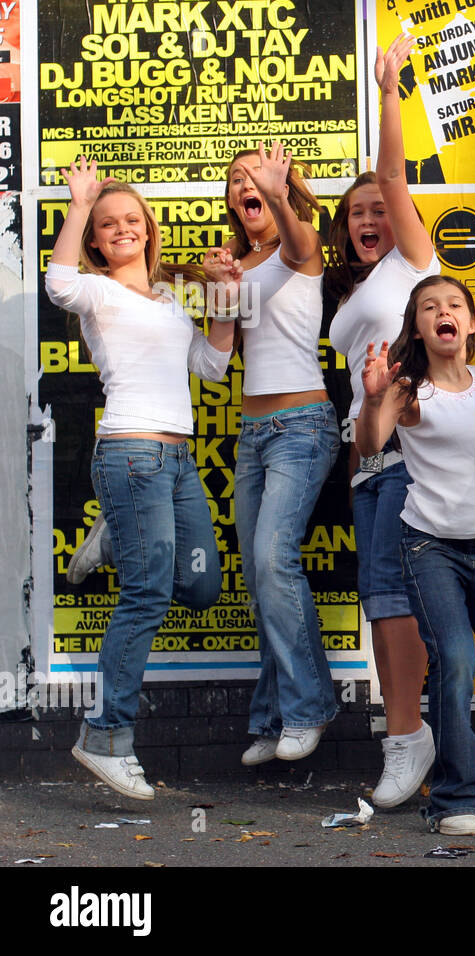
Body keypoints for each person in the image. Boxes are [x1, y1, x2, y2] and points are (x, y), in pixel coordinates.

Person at [48, 158, 234, 799]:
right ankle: (105, 737)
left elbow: (212, 365)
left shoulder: (168, 302)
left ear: (149, 231)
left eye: (132, 220)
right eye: (108, 224)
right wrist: (79, 203)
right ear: (97, 239)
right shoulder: (96, 292)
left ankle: (111, 530)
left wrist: (224, 299)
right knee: (148, 596)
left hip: (176, 464)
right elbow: (59, 282)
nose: (121, 229)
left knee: (203, 587)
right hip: (130, 454)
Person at [357, 276, 475, 836]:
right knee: (456, 662)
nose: (443, 313)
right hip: (428, 547)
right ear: (418, 328)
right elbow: (372, 445)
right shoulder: (409, 390)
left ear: (468, 323)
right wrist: (374, 399)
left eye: (454, 306)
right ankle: (455, 798)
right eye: (429, 308)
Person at [326, 35, 439, 808]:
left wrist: (389, 89)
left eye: (380, 210)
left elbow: (394, 173)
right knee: (381, 598)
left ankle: (409, 736)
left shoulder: (412, 264)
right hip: (364, 458)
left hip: (413, 451)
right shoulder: (342, 290)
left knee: (401, 598)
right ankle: (410, 732)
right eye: (357, 213)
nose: (371, 217)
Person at [220, 142, 341, 765]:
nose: (248, 188)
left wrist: (275, 188)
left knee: (273, 560)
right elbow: (222, 361)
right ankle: (273, 716)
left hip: (303, 426)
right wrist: (219, 289)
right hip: (253, 434)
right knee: (260, 575)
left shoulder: (304, 244)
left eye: (257, 179)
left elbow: (297, 244)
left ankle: (308, 708)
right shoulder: (240, 266)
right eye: (237, 182)